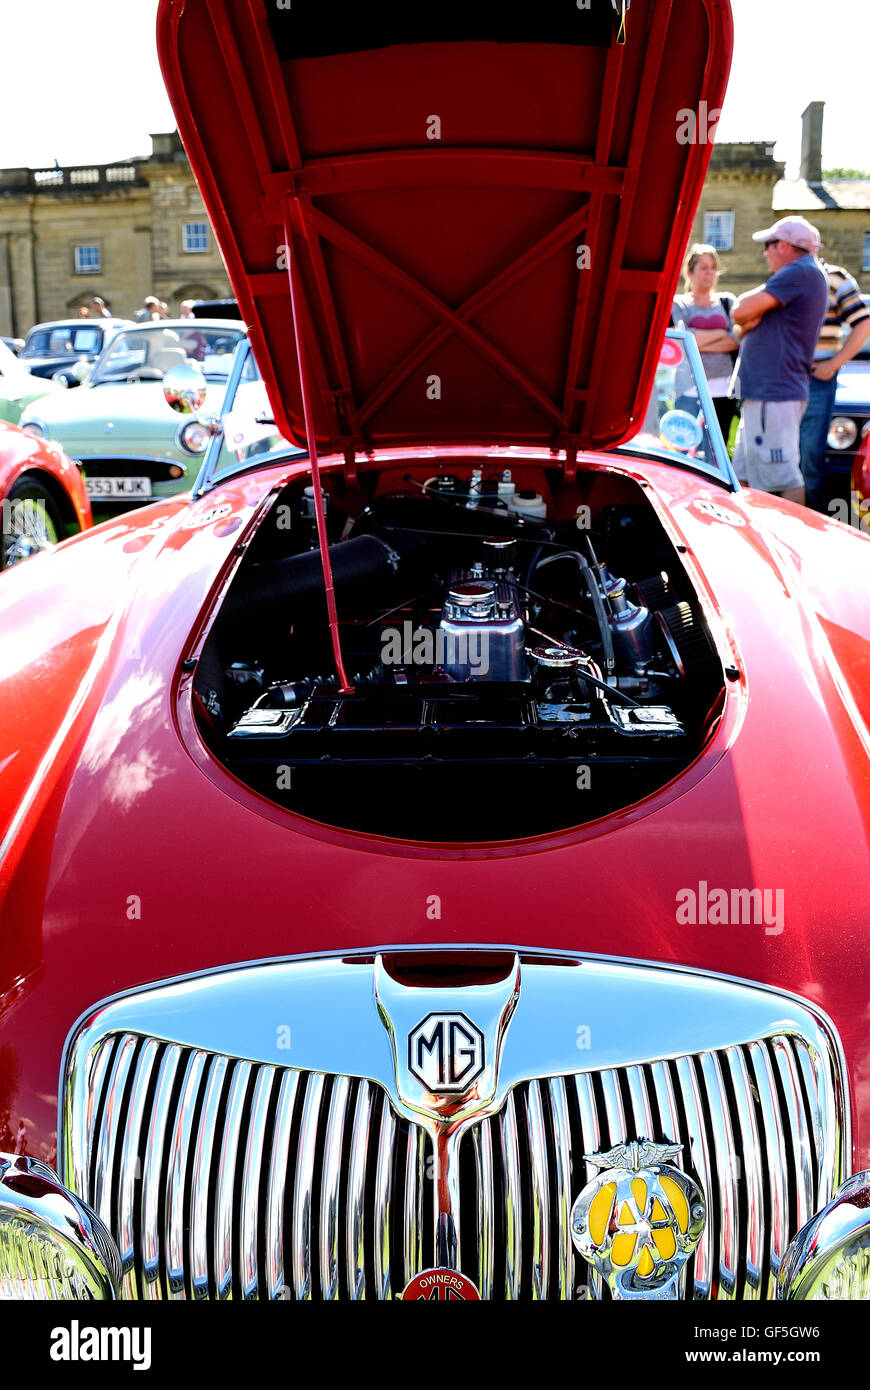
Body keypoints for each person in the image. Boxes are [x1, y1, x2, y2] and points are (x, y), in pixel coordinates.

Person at [730, 216, 828, 505]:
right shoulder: (803, 273)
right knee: (745, 476)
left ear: (784, 245)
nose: (764, 252)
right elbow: (741, 324)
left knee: (784, 477)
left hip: (773, 392)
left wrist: (747, 315)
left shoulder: (799, 271)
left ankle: (788, 546)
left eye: (768, 245)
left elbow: (739, 311)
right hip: (767, 393)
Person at [799, 258, 870, 511]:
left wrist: (834, 363)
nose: (766, 252)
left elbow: (864, 322)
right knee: (782, 460)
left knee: (810, 460)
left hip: (818, 379)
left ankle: (812, 520)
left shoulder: (834, 279)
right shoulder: (782, 279)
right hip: (785, 382)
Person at [671, 244, 739, 438]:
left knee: (720, 447)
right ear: (689, 272)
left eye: (713, 267)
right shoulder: (679, 303)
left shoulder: (727, 301)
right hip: (688, 388)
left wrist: (697, 340)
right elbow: (683, 341)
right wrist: (720, 332)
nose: (709, 273)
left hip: (724, 389)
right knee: (687, 448)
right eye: (703, 267)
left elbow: (736, 340)